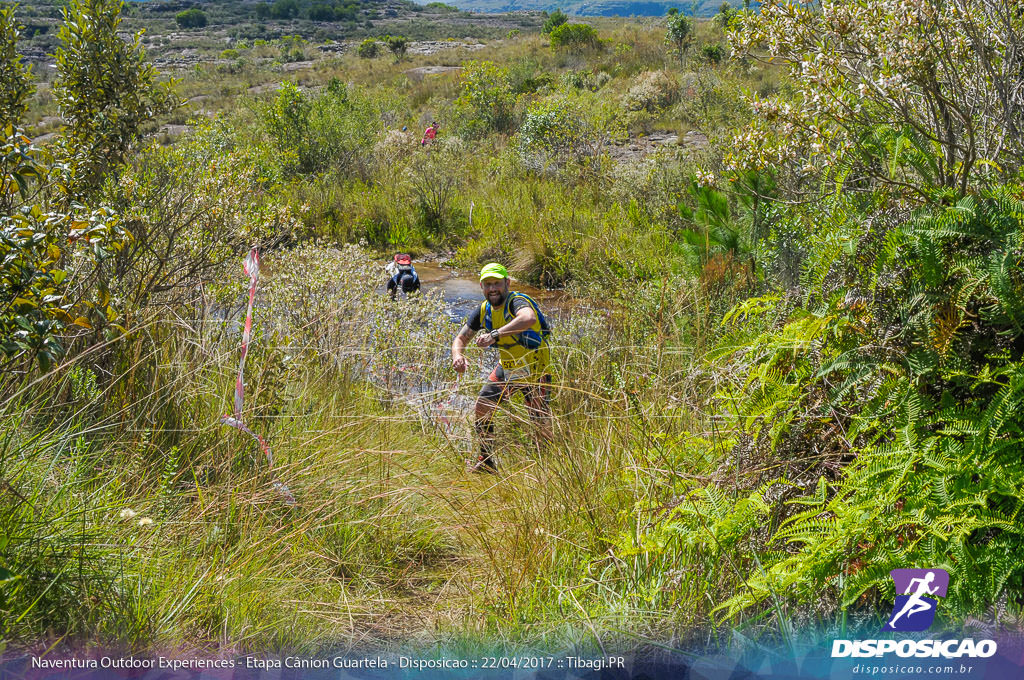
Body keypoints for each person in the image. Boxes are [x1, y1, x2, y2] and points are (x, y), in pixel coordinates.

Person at [451, 263, 552, 473]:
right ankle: (486, 462)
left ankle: (546, 466)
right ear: (481, 286)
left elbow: (528, 318)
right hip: (508, 369)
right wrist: (457, 355)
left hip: (535, 369)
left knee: (539, 420)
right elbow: (461, 338)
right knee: (482, 407)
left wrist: (494, 335)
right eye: (488, 284)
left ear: (507, 283)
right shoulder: (483, 310)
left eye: (497, 283)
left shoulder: (517, 301)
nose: (492, 288)